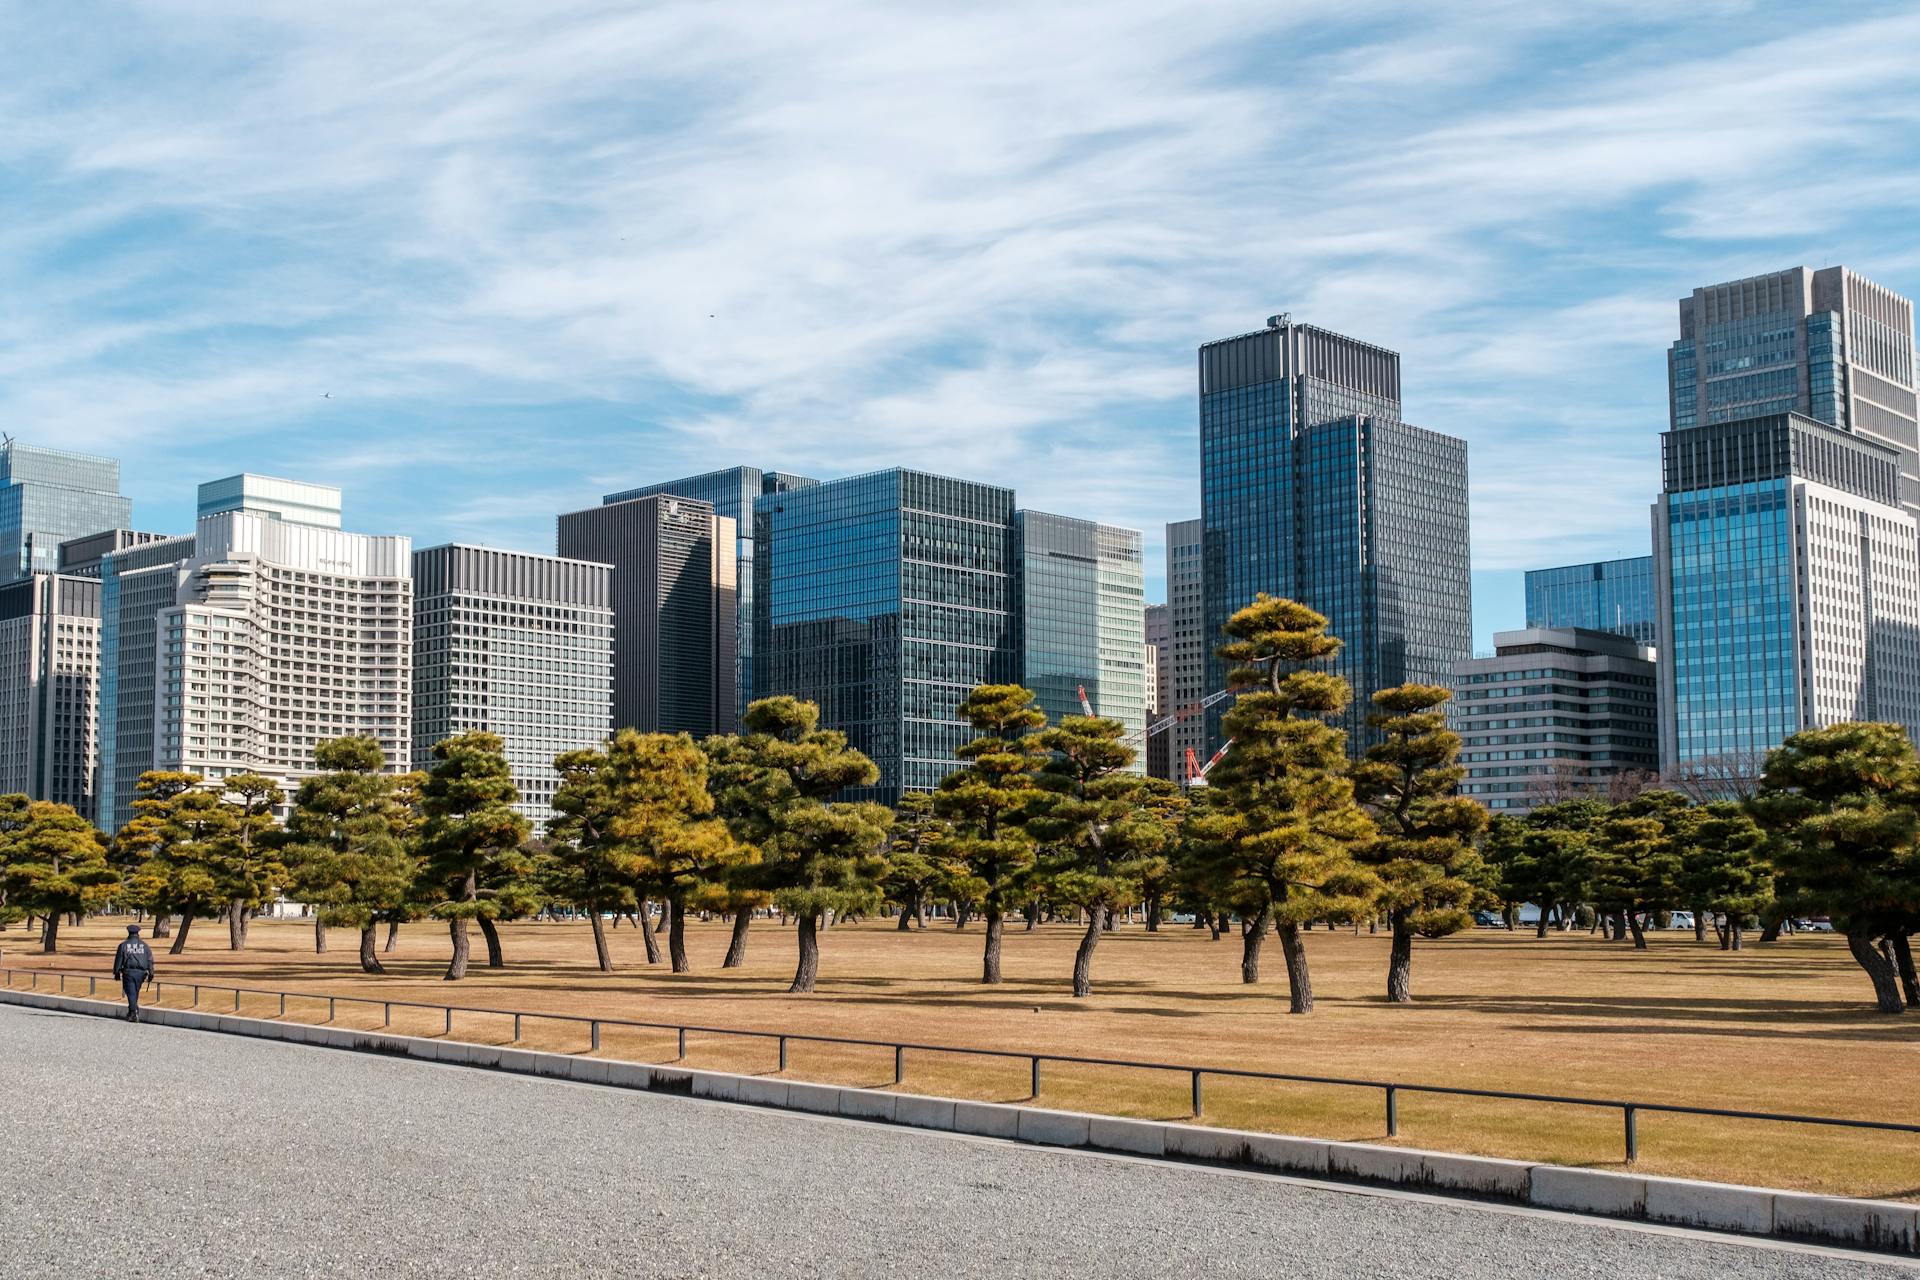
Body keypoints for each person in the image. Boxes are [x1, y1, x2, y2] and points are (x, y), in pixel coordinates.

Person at [112, 924, 155, 1022]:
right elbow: (150, 960)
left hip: (129, 972)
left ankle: (133, 1012)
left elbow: (119, 959)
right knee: (134, 992)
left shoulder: (123, 945)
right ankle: (132, 1012)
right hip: (141, 973)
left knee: (130, 992)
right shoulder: (144, 946)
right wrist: (151, 972)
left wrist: (116, 972)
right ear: (137, 933)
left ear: (129, 933)